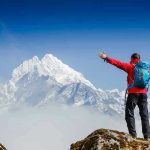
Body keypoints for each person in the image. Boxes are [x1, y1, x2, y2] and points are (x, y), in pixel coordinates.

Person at [98, 52, 150, 140]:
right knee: (144, 115)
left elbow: (118, 63)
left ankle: (133, 135)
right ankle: (147, 136)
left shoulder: (130, 66)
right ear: (139, 59)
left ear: (131, 58)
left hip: (133, 93)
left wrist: (106, 58)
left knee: (129, 113)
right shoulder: (147, 68)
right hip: (144, 94)